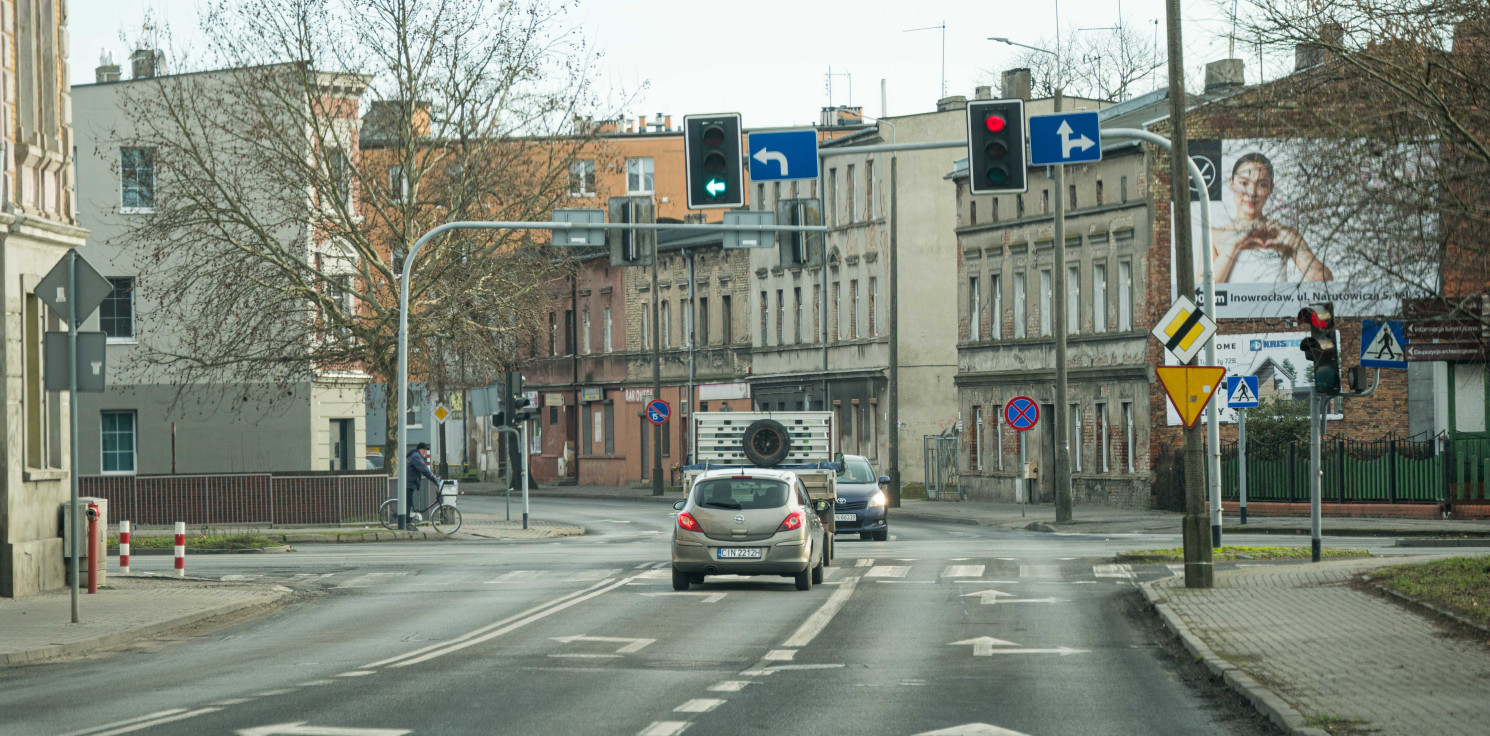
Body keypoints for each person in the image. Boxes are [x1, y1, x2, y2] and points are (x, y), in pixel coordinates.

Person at [1211, 152, 1334, 284]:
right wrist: (1234, 243)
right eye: (1244, 183)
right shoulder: (1214, 236)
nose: (1252, 192)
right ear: (1232, 184)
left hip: (1278, 305)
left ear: (1271, 188)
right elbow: (1201, 292)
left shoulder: (1283, 234)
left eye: (1262, 184)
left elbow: (1325, 282)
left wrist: (1295, 244)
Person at [406, 442, 440, 522]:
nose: (425, 452)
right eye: (424, 450)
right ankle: (407, 523)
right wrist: (434, 479)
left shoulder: (415, 455)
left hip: (409, 482)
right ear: (420, 450)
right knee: (408, 504)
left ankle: (408, 521)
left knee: (409, 503)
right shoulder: (416, 457)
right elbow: (424, 470)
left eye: (426, 450)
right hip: (408, 483)